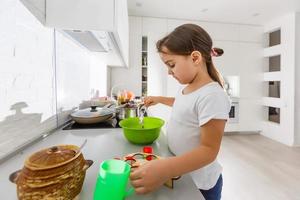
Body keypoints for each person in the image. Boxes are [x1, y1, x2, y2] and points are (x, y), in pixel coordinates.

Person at [129, 23, 231, 200]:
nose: (169, 72)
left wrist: (164, 169)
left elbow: (209, 151)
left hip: (202, 184)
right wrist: (160, 99)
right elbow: (185, 105)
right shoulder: (189, 88)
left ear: (195, 58)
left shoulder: (213, 95)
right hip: (184, 173)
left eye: (171, 64)